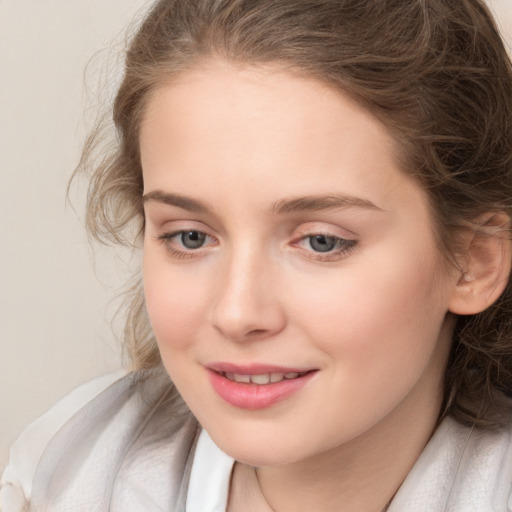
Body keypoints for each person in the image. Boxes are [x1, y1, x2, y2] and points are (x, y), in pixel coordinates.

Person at [2, 0, 512, 510]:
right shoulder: (65, 475)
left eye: (321, 241)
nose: (237, 313)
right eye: (190, 237)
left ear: (474, 260)